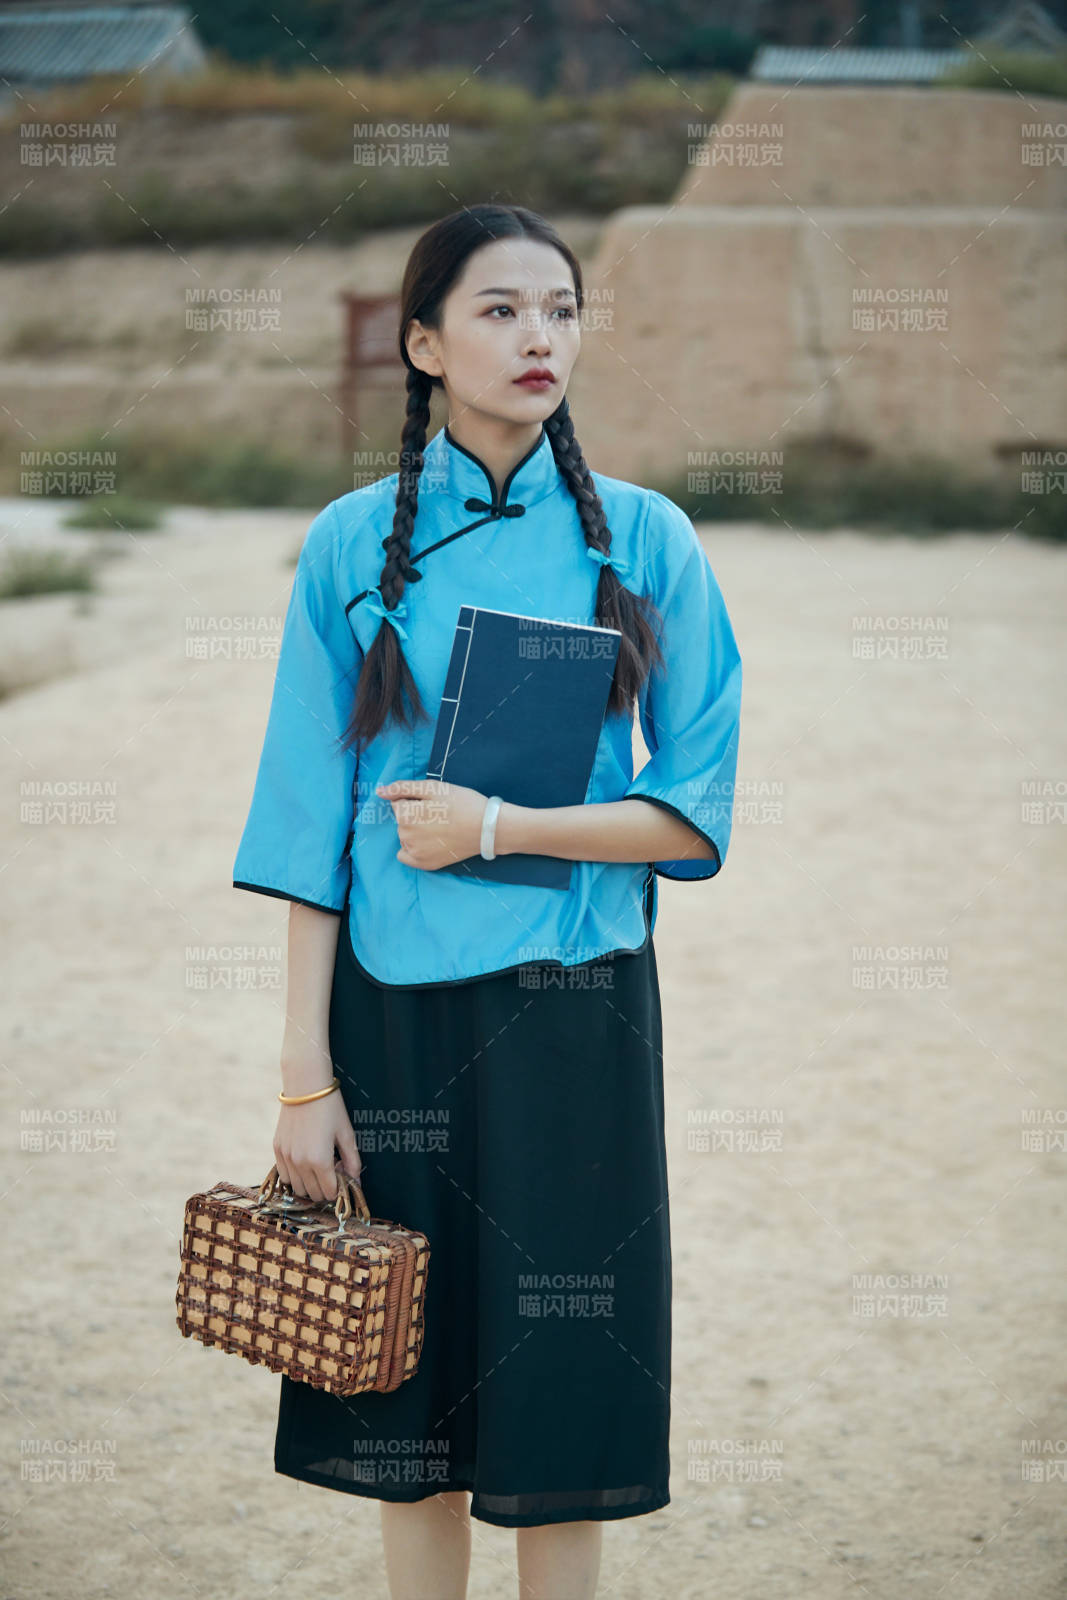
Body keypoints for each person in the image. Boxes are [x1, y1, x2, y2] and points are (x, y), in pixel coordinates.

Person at [232, 203, 743, 1600]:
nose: (539, 338)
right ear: (423, 344)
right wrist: (299, 1077)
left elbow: (693, 807)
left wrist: (505, 825)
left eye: (562, 310)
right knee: (408, 1374)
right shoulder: (350, 546)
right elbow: (304, 821)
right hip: (393, 1014)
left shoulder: (649, 539)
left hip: (577, 1013)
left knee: (562, 1370)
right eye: (502, 310)